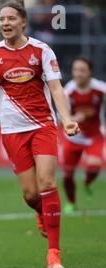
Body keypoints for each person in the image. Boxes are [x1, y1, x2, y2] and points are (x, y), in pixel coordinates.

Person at [0, 0, 79, 268]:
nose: (5, 23)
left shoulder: (41, 50)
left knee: (47, 181)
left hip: (42, 125)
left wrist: (67, 119)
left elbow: (56, 87)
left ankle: (54, 252)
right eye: (1, 19)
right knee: (30, 194)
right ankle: (41, 210)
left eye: (11, 18)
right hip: (12, 131)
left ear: (23, 22)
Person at [62, 57, 106, 213]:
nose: (78, 74)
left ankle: (88, 183)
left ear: (90, 72)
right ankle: (71, 203)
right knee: (67, 176)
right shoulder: (68, 91)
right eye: (75, 70)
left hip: (94, 136)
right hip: (73, 138)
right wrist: (73, 119)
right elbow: (61, 117)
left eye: (82, 70)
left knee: (94, 167)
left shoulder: (99, 88)